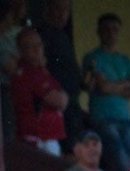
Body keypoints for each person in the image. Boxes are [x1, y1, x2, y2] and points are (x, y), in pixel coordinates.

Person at [82, 12, 130, 171]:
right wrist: (124, 84)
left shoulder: (125, 60)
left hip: (125, 119)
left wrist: (111, 85)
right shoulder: (93, 57)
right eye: (106, 29)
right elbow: (103, 87)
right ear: (99, 32)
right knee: (121, 163)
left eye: (115, 30)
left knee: (128, 162)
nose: (111, 33)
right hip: (103, 118)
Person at [11, 27, 67, 156]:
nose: (37, 50)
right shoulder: (28, 73)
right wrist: (63, 96)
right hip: (38, 139)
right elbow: (60, 101)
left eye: (39, 45)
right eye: (31, 47)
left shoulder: (39, 71)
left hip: (45, 137)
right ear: (21, 50)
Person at [37, 0, 84, 152]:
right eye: (58, 9)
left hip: (71, 100)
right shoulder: (42, 35)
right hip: (55, 101)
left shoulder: (64, 36)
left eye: (66, 11)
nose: (62, 15)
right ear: (47, 10)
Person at [0, 0, 27, 142]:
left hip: (26, 88)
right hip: (6, 89)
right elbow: (10, 67)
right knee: (9, 134)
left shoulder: (20, 32)